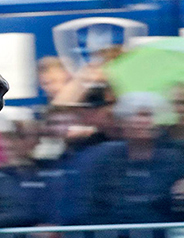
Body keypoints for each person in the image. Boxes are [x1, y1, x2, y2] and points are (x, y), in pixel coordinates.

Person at [78, 93, 184, 224]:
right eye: (137, 116)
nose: (143, 122)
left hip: (161, 235)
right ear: (122, 122)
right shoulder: (102, 157)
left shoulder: (175, 159)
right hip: (111, 237)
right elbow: (87, 202)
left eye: (148, 116)